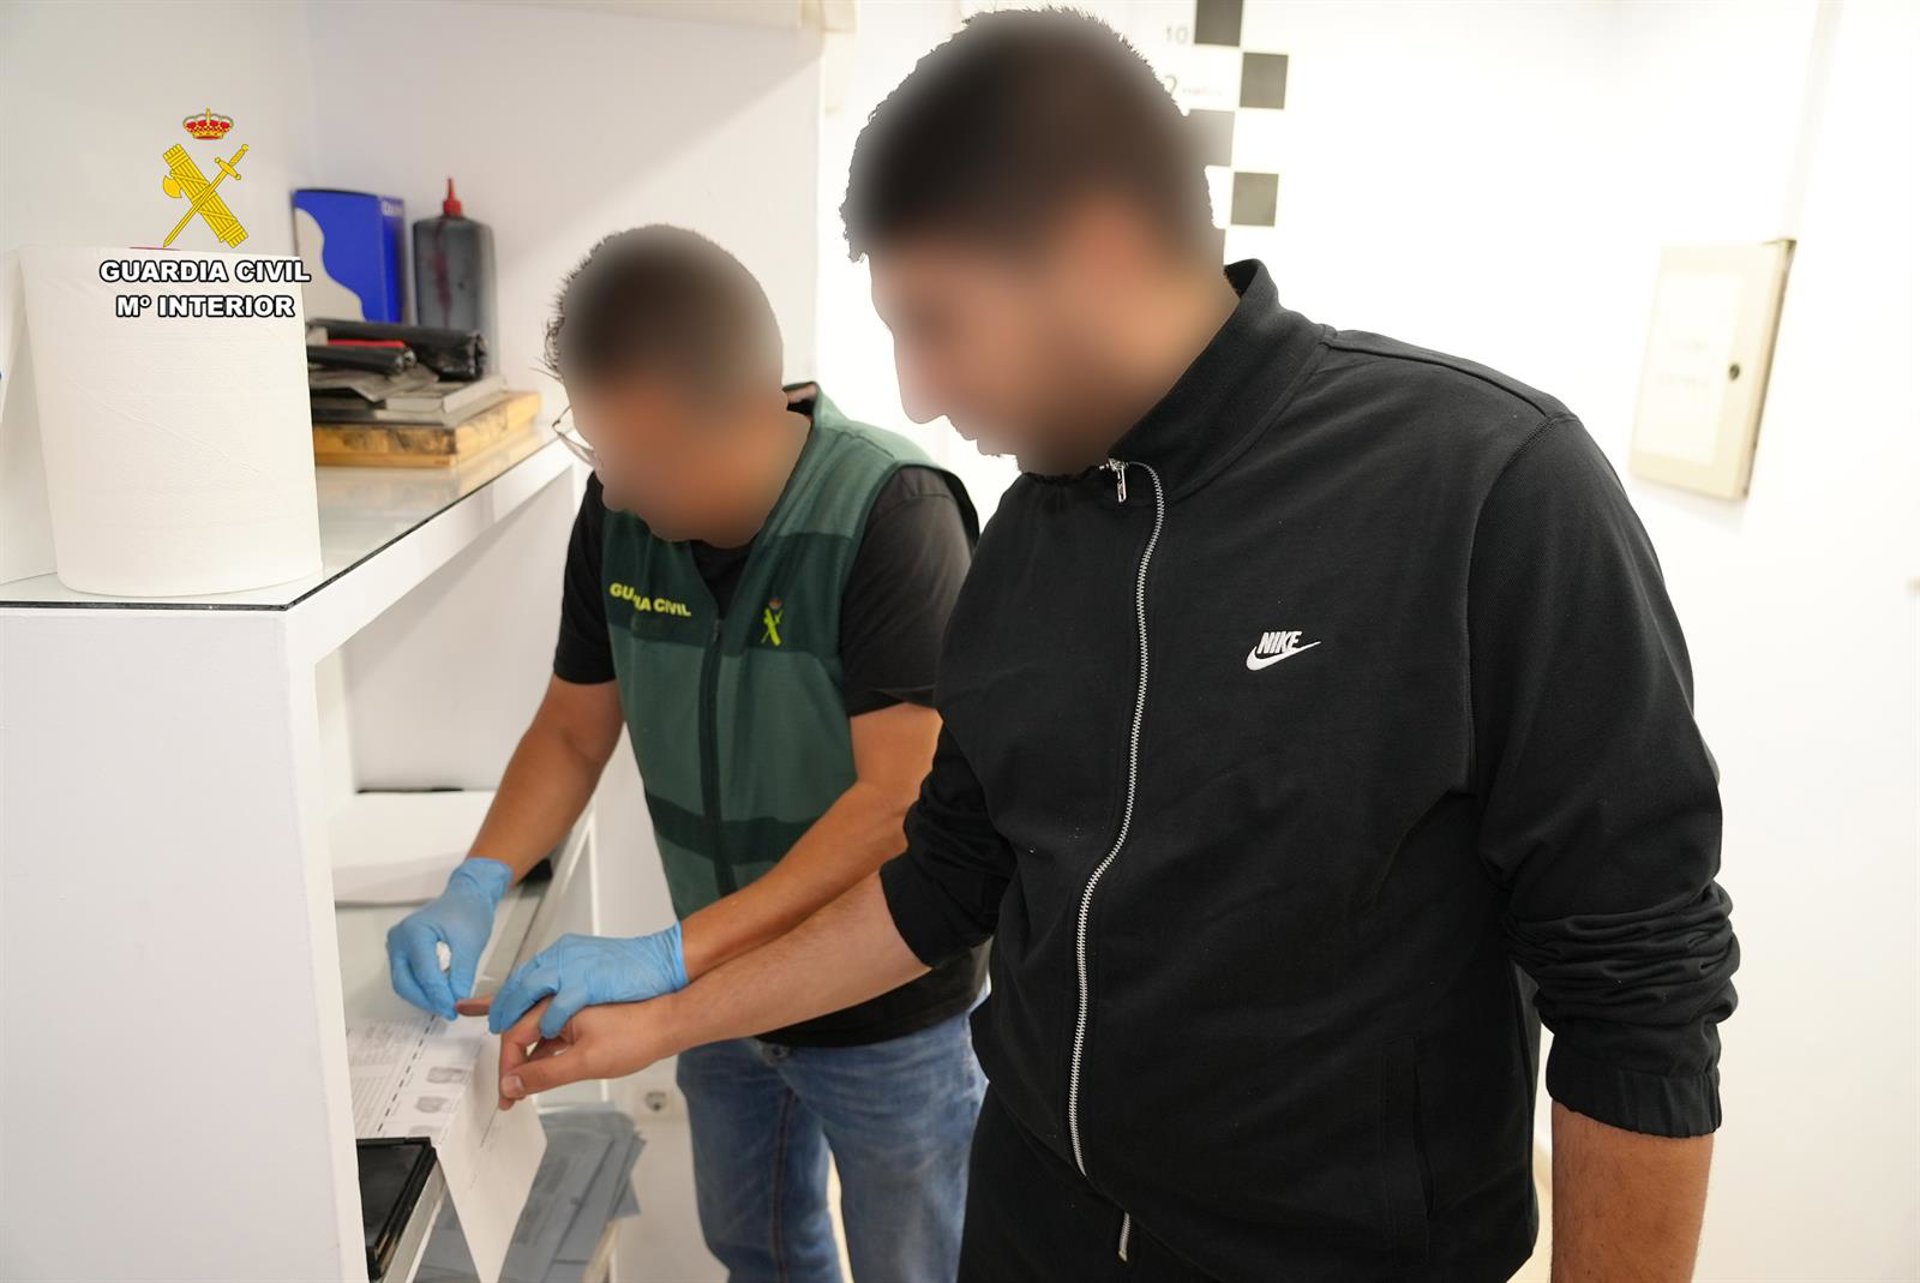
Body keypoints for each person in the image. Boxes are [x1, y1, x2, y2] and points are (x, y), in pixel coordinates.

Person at [480, 11, 1740, 1281]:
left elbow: (1640, 988)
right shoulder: (1027, 541)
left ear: (1099, 250)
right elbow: (940, 884)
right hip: (1032, 1229)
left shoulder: (1486, 487)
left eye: (937, 321)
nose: (917, 390)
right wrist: (666, 1016)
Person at [387, 226, 988, 1283]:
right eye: (601, 452)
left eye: (648, 460)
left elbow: (897, 802)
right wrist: (478, 880)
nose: (618, 491)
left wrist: (668, 957)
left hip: (889, 1005)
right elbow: (573, 726)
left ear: (754, 412)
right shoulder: (619, 516)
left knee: (919, 1265)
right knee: (755, 1248)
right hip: (717, 992)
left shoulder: (893, 514)